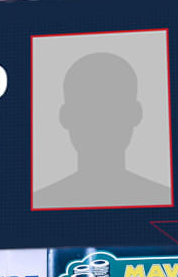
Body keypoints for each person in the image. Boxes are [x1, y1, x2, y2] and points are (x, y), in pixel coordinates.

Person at [34, 52, 170, 209]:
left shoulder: (159, 197)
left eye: (112, 108)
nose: (100, 120)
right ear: (66, 116)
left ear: (135, 113)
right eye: (87, 108)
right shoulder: (44, 200)